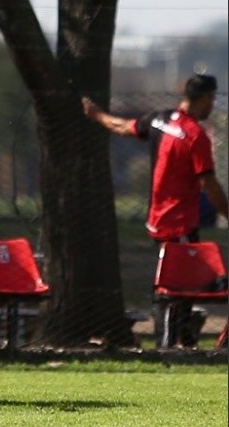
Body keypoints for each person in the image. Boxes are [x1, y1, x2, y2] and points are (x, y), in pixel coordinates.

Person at [82, 74, 229, 348]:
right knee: (181, 288)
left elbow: (123, 126)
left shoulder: (159, 120)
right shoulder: (196, 137)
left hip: (157, 223)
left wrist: (97, 115)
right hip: (181, 224)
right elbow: (208, 183)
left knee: (176, 284)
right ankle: (172, 344)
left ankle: (181, 339)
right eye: (212, 98)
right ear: (206, 98)